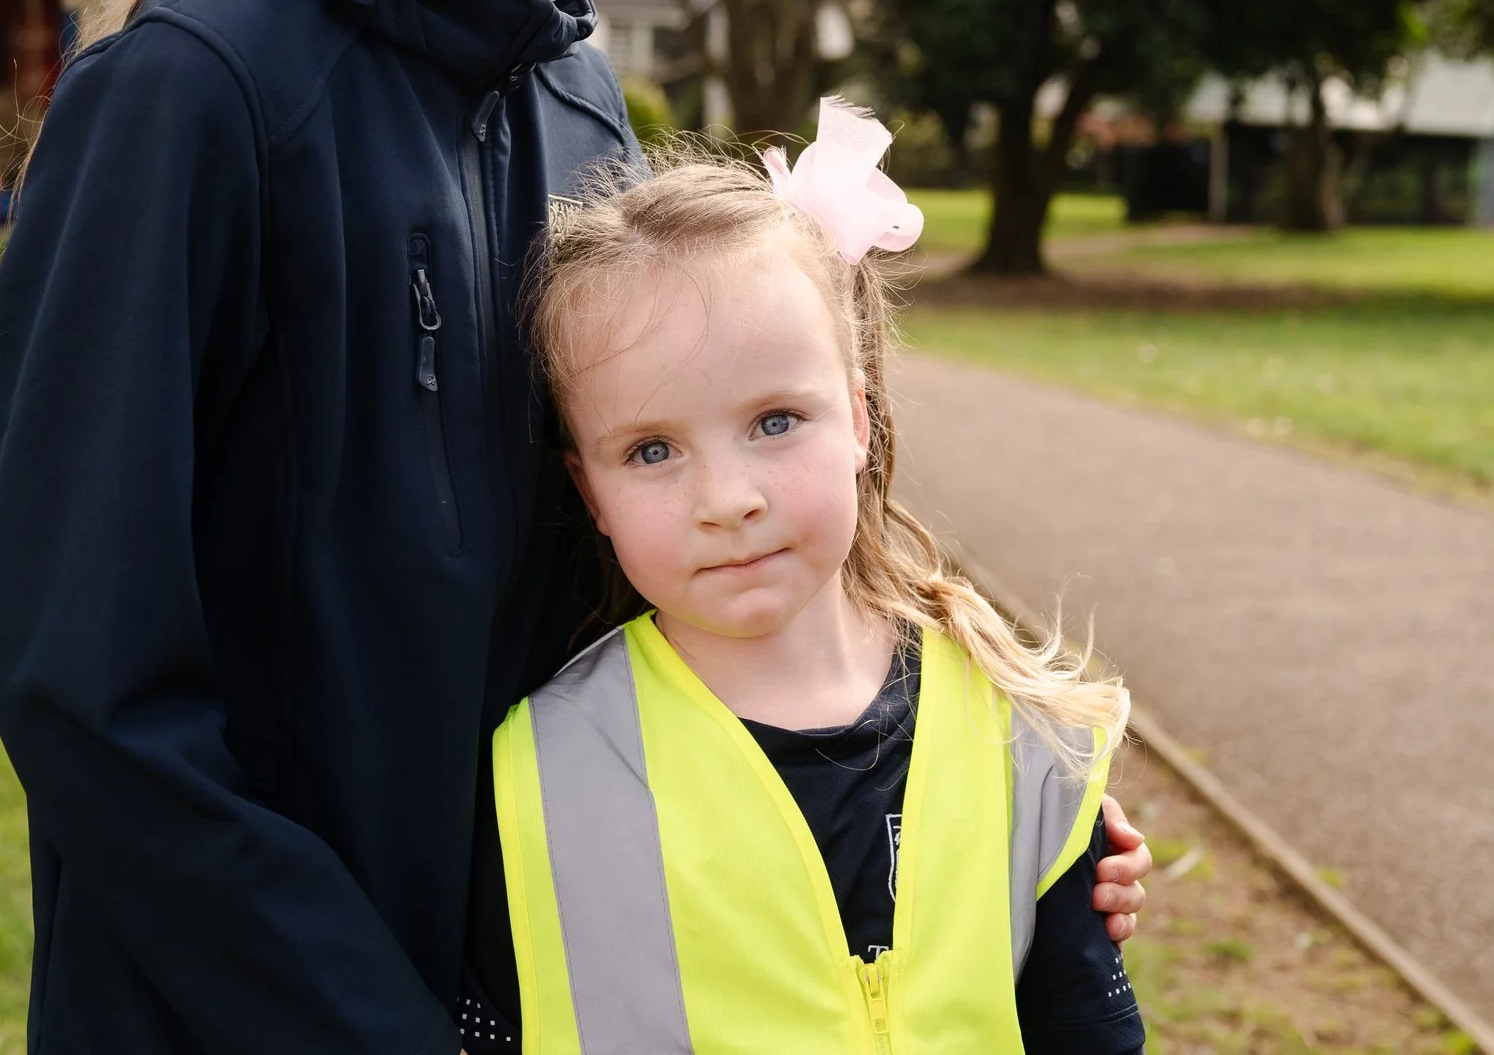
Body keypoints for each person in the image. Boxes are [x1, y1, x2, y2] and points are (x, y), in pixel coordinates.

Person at [0, 0, 1150, 1051]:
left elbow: (659, 567)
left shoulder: (577, 97)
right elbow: (85, 687)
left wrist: (963, 799)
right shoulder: (188, 94)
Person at [468, 103, 1142, 1054]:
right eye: (653, 449)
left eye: (775, 421)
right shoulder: (539, 773)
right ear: (590, 492)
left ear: (859, 420)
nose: (727, 499)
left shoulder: (1022, 736)